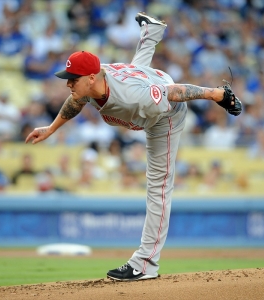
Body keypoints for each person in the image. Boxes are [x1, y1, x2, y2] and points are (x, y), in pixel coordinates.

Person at [25, 12, 242, 281]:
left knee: (159, 185)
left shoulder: (130, 96)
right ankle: (151, 32)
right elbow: (75, 103)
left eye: (73, 78)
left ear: (91, 78)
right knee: (135, 80)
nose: (68, 83)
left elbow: (172, 93)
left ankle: (146, 264)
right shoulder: (91, 84)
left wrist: (215, 94)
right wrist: (51, 128)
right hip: (144, 82)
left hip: (166, 111)